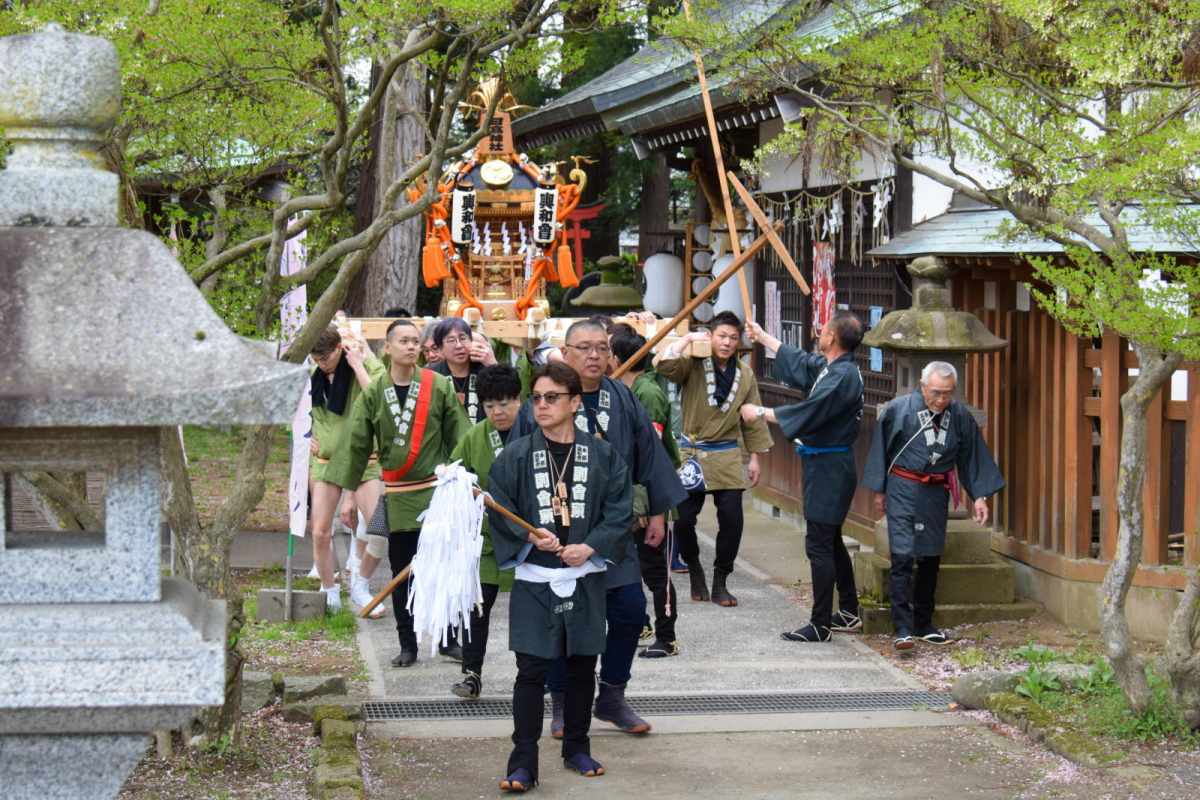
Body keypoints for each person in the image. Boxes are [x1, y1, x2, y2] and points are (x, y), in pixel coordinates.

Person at [509, 320, 687, 736]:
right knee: (562, 620)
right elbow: (516, 462)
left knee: (627, 613)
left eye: (601, 348)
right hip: (556, 535)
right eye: (584, 347)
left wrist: (658, 512)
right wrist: (530, 529)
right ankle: (562, 701)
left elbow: (649, 453)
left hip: (610, 532)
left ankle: (611, 694)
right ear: (565, 353)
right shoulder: (542, 399)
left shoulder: (622, 397)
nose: (594, 355)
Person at [490, 362, 633, 791]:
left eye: (552, 397)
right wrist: (531, 537)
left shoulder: (603, 454)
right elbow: (499, 506)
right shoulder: (515, 456)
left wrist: (589, 547)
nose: (541, 405)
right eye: (536, 398)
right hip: (536, 579)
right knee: (530, 670)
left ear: (574, 402)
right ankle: (523, 763)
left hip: (584, 575)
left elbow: (620, 510)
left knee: (580, 667)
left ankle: (576, 747)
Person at [324, 319, 472, 666]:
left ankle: (449, 639)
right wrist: (348, 496)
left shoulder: (439, 386)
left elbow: (460, 437)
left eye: (415, 341)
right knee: (401, 572)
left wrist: (463, 480)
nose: (411, 347)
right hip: (397, 495)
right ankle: (408, 644)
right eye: (403, 341)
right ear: (386, 348)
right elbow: (356, 445)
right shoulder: (374, 392)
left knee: (442, 571)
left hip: (436, 497)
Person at [862, 361, 1005, 649]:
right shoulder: (897, 410)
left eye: (948, 393)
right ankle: (902, 626)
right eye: (936, 392)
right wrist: (880, 490)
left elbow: (970, 457)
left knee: (930, 557)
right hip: (903, 488)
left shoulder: (960, 415)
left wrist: (979, 496)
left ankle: (923, 623)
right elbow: (881, 449)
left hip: (935, 492)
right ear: (922, 385)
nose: (941, 399)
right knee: (902, 555)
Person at [743, 311, 866, 642]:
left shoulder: (843, 377)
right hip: (825, 466)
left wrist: (759, 412)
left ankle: (820, 624)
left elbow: (809, 412)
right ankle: (850, 612)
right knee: (830, 539)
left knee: (819, 544)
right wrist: (762, 335)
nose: (820, 334)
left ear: (833, 338)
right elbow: (799, 361)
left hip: (831, 468)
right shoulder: (833, 367)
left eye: (824, 331)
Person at [653, 311, 773, 607]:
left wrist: (755, 458)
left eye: (734, 338)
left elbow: (753, 417)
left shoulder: (745, 375)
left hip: (727, 455)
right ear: (711, 336)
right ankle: (694, 568)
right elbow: (663, 364)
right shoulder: (693, 365)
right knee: (683, 519)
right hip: (692, 453)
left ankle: (720, 580)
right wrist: (688, 339)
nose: (727, 342)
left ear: (739, 342)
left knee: (733, 519)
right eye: (722, 336)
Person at [446, 364, 522, 698]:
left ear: (520, 400)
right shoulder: (476, 436)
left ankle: (537, 674)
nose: (497, 412)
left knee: (531, 610)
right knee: (478, 607)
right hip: (488, 539)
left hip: (529, 540)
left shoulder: (537, 430)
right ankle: (471, 674)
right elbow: (452, 476)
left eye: (504, 403)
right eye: (489, 406)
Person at [608, 327, 681, 658]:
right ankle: (642, 622)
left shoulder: (647, 394)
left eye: (607, 353)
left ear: (619, 359)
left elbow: (651, 455)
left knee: (654, 570)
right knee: (630, 566)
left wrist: (654, 509)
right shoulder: (621, 390)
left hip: (652, 497)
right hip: (631, 495)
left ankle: (668, 637)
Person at [308, 327, 388, 613]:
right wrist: (310, 436)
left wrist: (357, 363)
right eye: (315, 359)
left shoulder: (362, 362)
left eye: (325, 357)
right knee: (319, 532)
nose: (321, 363)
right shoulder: (313, 376)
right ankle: (329, 590)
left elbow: (381, 398)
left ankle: (361, 586)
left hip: (364, 458)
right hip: (326, 461)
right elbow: (305, 413)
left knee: (378, 528)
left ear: (339, 348)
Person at [431, 316, 496, 424]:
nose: (459, 346)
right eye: (451, 341)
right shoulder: (432, 374)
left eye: (463, 338)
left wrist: (493, 365)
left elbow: (510, 395)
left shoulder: (485, 368)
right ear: (440, 348)